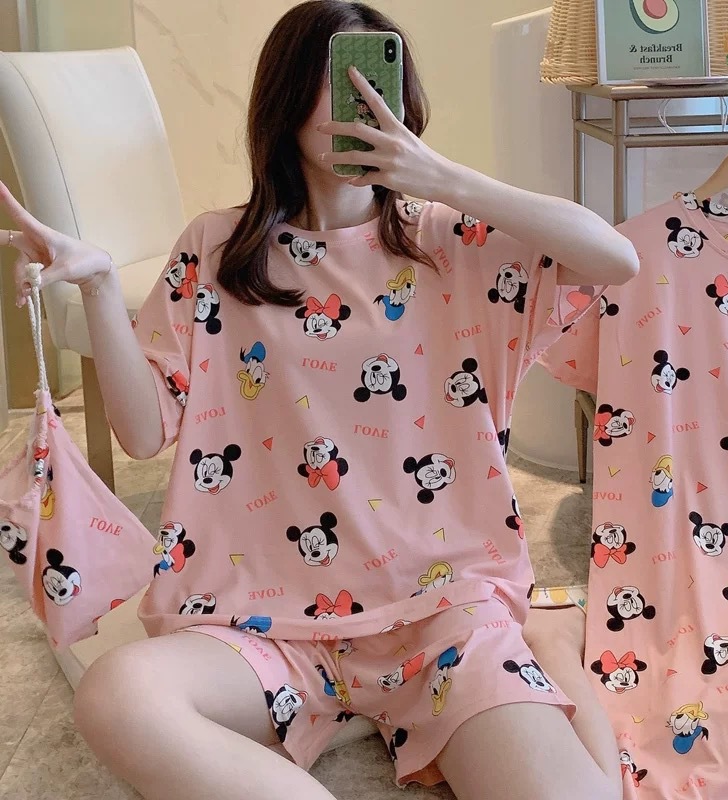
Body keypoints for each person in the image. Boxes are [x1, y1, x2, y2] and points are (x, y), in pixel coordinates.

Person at [0, 2, 638, 798]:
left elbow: (615, 260)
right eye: (343, 81)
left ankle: (546, 643)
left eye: (379, 83)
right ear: (289, 97)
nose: (363, 105)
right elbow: (140, 431)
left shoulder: (452, 241)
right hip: (261, 621)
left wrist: (437, 176)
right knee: (116, 697)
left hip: (440, 609)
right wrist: (100, 284)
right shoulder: (217, 251)